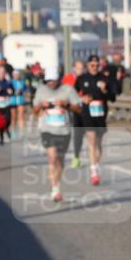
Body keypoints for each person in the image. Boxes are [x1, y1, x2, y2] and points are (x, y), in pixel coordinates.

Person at [32, 69, 82, 203]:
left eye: (53, 80)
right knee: (52, 157)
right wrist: (41, 105)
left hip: (64, 130)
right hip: (47, 130)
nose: (51, 83)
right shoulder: (41, 90)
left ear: (58, 79)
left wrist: (66, 104)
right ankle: (55, 189)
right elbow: (34, 110)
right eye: (49, 81)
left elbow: (79, 108)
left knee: (60, 159)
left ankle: (57, 185)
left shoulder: (68, 90)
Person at [74, 55, 115, 186]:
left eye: (97, 65)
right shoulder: (81, 79)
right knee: (91, 140)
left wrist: (104, 89)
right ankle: (93, 172)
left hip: (101, 113)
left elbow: (113, 97)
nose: (95, 67)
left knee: (98, 142)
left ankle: (96, 165)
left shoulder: (105, 78)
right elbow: (73, 94)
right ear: (87, 65)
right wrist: (81, 99)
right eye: (92, 65)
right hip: (87, 113)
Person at [11, 69, 27, 140]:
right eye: (15, 75)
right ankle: (13, 132)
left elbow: (25, 89)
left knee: (21, 116)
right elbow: (7, 89)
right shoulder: (11, 82)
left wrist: (22, 91)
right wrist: (13, 92)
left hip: (20, 100)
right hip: (13, 100)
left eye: (17, 75)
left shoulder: (22, 81)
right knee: (13, 117)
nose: (16, 76)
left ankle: (21, 131)